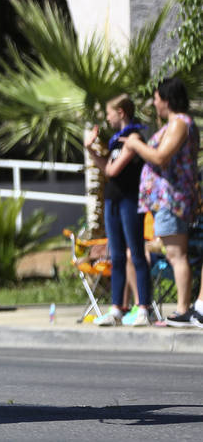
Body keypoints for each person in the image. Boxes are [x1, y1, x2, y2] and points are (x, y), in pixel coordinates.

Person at [122, 77, 203, 327]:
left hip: (173, 199)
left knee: (176, 255)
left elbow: (160, 157)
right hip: (166, 201)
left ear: (166, 100)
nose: (154, 103)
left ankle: (182, 309)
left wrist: (136, 144)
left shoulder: (180, 123)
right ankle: (183, 308)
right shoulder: (174, 124)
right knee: (173, 253)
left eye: (156, 98)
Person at [83, 94, 151, 326]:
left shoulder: (134, 138)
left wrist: (107, 162)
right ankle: (116, 309)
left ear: (121, 112)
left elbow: (113, 170)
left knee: (136, 253)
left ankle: (143, 307)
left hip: (130, 201)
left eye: (109, 112)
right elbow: (107, 168)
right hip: (112, 200)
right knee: (117, 256)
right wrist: (91, 150)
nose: (107, 117)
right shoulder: (116, 141)